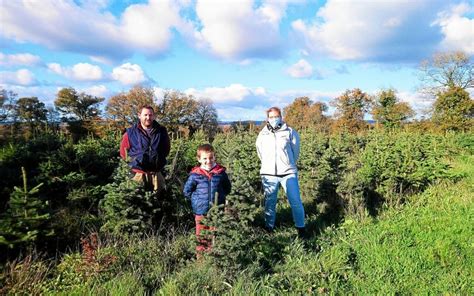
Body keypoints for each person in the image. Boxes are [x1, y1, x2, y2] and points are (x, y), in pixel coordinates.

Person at [256, 106, 306, 238]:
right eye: (271, 117)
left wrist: (287, 164)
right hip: (268, 174)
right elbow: (260, 153)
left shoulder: (289, 132)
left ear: (281, 117)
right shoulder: (262, 134)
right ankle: (269, 228)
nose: (274, 119)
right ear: (267, 119)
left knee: (295, 201)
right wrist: (268, 166)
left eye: (276, 116)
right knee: (270, 202)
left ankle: (301, 229)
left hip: (288, 173)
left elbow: (295, 152)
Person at [183, 144, 232, 254]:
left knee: (215, 234)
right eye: (205, 158)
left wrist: (221, 199)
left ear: (214, 157)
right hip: (201, 211)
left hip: (217, 211)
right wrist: (196, 200)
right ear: (199, 159)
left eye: (211, 158)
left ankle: (213, 258)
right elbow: (187, 191)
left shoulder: (220, 173)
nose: (208, 161)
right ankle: (201, 260)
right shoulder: (195, 175)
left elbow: (227, 188)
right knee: (201, 237)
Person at [120, 105, 170, 192]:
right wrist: (133, 163)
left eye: (150, 115)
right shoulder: (130, 132)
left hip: (156, 173)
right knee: (138, 200)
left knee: (158, 200)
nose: (148, 117)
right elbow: (123, 152)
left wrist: (158, 160)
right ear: (139, 115)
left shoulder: (161, 131)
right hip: (138, 173)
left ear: (154, 116)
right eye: (145, 115)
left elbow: (166, 149)